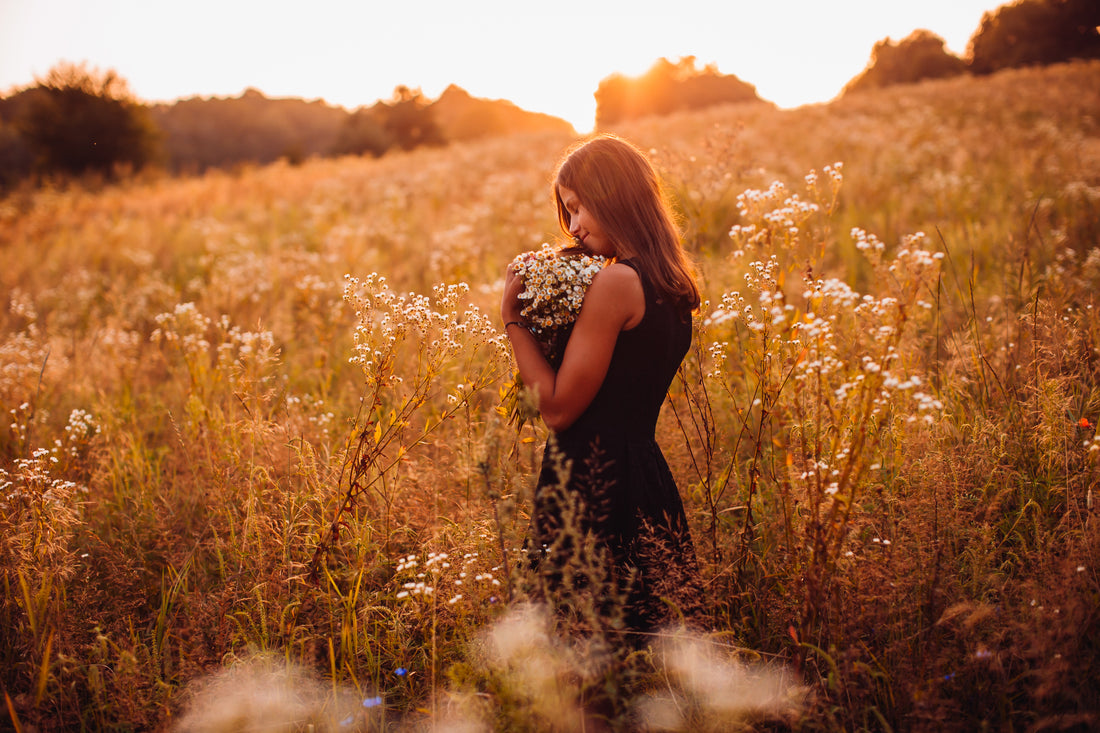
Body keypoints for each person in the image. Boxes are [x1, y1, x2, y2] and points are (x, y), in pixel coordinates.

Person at [500, 134, 703, 640]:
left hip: (593, 487)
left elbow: (557, 408)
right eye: (566, 214)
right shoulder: (668, 284)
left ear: (612, 195)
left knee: (584, 666)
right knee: (639, 659)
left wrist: (514, 321)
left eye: (576, 208)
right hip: (645, 477)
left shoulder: (615, 286)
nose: (572, 227)